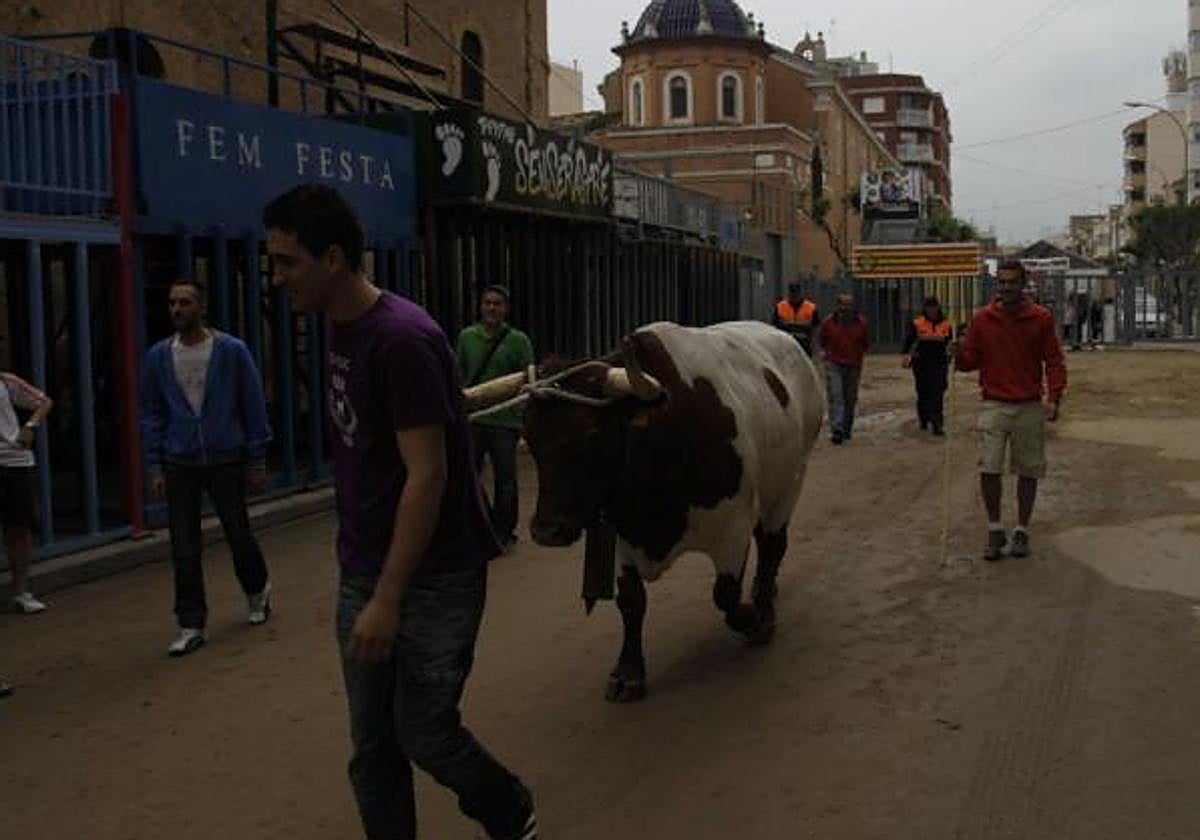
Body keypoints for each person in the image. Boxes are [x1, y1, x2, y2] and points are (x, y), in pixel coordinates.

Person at [263, 184, 536, 840]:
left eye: (286, 262)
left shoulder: (402, 341)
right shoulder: (336, 324)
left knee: (424, 733)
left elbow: (429, 474)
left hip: (435, 575)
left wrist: (386, 598)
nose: (276, 278)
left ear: (332, 258)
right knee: (373, 750)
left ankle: (507, 807)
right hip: (364, 568)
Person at [140, 278, 273, 657]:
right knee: (184, 544)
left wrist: (256, 458)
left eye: (185, 302)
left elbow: (253, 404)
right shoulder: (158, 357)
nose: (177, 310)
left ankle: (256, 588)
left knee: (237, 532)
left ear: (202, 307)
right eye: (172, 303)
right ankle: (190, 622)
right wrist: (155, 465)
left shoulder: (231, 351)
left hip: (225, 457)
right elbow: (151, 413)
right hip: (180, 459)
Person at [953, 260, 1066, 561]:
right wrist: (957, 354)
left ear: (1023, 283)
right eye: (1002, 282)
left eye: (1012, 282)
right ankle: (994, 528)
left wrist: (1054, 397)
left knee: (1028, 471)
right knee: (989, 468)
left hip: (1029, 405)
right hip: (994, 404)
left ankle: (1021, 530)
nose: (1006, 287)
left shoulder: (1040, 319)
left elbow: (1054, 361)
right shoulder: (982, 319)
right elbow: (969, 362)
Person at [457, 285, 534, 551]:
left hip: (506, 422)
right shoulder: (467, 337)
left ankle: (504, 531)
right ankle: (481, 525)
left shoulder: (518, 341)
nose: (492, 308)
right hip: (474, 420)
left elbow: (528, 380)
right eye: (487, 303)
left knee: (506, 482)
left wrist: (525, 421)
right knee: (468, 476)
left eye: (497, 304)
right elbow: (459, 375)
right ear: (480, 307)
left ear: (506, 309)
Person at [0, 369, 53, 614]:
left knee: (19, 528)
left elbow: (44, 402)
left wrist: (30, 426)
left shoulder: (6, 381)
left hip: (14, 462)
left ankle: (21, 591)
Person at [818, 293, 870, 445]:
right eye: (843, 305)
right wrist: (826, 355)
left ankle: (846, 428)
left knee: (850, 397)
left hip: (853, 363)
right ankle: (837, 429)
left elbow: (865, 343)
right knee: (836, 394)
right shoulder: (829, 322)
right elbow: (822, 340)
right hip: (834, 362)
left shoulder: (861, 323)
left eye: (849, 305)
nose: (846, 308)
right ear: (838, 306)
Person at [902, 296, 952, 436]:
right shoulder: (917, 323)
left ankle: (937, 423)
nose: (932, 310)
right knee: (923, 391)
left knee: (938, 392)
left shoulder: (946, 324)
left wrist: (950, 355)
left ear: (938, 307)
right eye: (929, 307)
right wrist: (906, 356)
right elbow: (909, 341)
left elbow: (949, 342)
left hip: (939, 363)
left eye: (934, 307)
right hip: (921, 363)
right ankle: (924, 418)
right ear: (924, 308)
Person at [773, 282, 820, 356]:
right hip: (785, 344)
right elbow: (774, 325)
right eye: (792, 293)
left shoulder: (811, 307)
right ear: (789, 293)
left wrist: (814, 344)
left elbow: (816, 326)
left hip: (804, 344)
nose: (794, 295)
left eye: (796, 293)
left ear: (800, 293)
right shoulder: (780, 306)